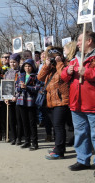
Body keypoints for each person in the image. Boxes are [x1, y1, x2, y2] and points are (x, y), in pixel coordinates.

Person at [61, 31, 95, 174]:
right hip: (77, 104)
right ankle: (83, 160)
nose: (78, 43)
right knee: (81, 133)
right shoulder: (75, 59)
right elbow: (63, 77)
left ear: (89, 41)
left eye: (80, 40)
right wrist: (67, 72)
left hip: (92, 104)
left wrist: (86, 72)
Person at [38, 46, 70, 160]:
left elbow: (64, 76)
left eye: (54, 57)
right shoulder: (50, 67)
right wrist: (47, 65)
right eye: (50, 57)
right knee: (56, 126)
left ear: (61, 56)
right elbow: (40, 77)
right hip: (51, 101)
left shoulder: (66, 64)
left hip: (62, 100)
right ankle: (59, 146)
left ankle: (59, 151)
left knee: (58, 126)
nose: (52, 59)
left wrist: (59, 63)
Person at [15, 59, 40, 150]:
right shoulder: (20, 75)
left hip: (30, 101)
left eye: (29, 66)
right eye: (25, 66)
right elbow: (16, 87)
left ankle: (35, 142)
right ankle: (27, 141)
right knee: (24, 122)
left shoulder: (36, 76)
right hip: (21, 101)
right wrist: (20, 88)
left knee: (32, 123)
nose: (27, 68)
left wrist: (27, 87)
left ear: (32, 67)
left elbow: (37, 88)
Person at [4, 53, 22, 145]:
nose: (12, 64)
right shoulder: (7, 73)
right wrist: (5, 97)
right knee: (11, 119)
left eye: (14, 62)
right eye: (11, 62)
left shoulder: (20, 72)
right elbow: (5, 85)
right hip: (9, 99)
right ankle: (13, 137)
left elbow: (20, 86)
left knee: (18, 119)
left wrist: (17, 96)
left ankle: (19, 137)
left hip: (18, 99)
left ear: (18, 62)